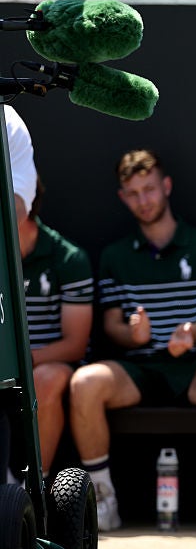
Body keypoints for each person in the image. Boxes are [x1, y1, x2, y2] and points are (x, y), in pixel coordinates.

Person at [68, 149, 196, 533]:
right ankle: (102, 501)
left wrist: (192, 333)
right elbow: (111, 325)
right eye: (133, 193)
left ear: (166, 187)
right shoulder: (115, 256)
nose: (143, 200)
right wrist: (132, 334)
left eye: (149, 189)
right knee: (84, 382)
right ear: (122, 197)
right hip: (141, 369)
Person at [18, 181, 94, 482]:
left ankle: (33, 488)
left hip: (51, 365)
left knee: (43, 380)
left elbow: (75, 345)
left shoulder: (68, 258)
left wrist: (21, 362)